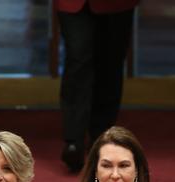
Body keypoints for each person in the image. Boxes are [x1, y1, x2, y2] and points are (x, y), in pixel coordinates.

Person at [56, 0, 138, 172]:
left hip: (117, 5)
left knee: (111, 64)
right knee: (77, 59)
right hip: (72, 3)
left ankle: (102, 138)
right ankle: (73, 141)